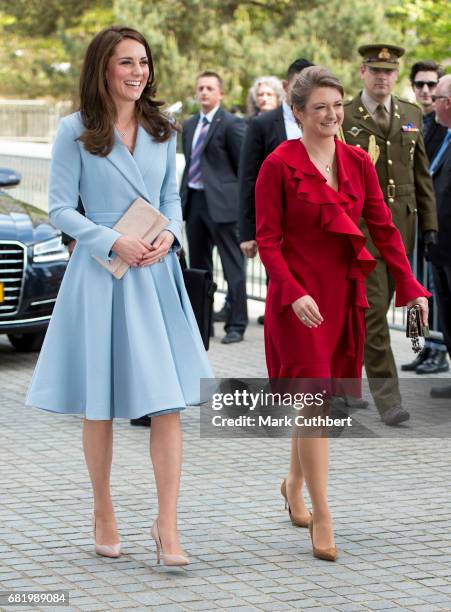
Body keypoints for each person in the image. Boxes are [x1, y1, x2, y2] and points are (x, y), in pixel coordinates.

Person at [26, 25, 213, 566]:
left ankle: (167, 524)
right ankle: (103, 508)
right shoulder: (74, 130)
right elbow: (60, 208)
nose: (138, 73)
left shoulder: (162, 129)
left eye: (143, 63)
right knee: (99, 404)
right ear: (103, 70)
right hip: (102, 274)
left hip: (155, 276)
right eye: (127, 63)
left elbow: (170, 199)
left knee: (168, 403)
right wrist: (113, 240)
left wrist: (171, 238)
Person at [255, 66, 429, 561]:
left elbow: (385, 231)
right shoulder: (278, 165)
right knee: (314, 402)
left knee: (314, 400)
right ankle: (324, 514)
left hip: (343, 295)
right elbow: (267, 241)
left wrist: (409, 285)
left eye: (337, 106)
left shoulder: (358, 162)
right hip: (300, 301)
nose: (332, 115)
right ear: (298, 112)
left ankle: (292, 485)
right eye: (320, 108)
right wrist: (291, 292)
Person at [342, 44, 438, 426]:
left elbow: (421, 175)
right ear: (362, 72)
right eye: (375, 70)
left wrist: (429, 224)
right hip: (362, 231)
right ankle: (389, 400)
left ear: (396, 76)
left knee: (368, 314)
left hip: (401, 229)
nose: (382, 78)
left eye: (389, 71)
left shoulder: (412, 114)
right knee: (374, 315)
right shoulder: (346, 115)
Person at [238, 59, 313, 325]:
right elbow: (248, 178)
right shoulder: (262, 124)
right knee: (282, 293)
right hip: (276, 227)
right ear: (285, 86)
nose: (306, 92)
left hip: (314, 226)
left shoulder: (320, 120)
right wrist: (248, 232)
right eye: (299, 86)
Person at [180, 71, 248, 344]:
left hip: (225, 208)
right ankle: (202, 325)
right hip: (195, 203)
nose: (204, 92)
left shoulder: (232, 124)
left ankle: (236, 325)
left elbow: (244, 170)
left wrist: (244, 209)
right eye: (200, 88)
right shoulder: (189, 124)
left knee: (234, 269)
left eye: (209, 88)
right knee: (199, 268)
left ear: (220, 93)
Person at [402, 60, 449, 375]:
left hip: (438, 224)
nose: (426, 91)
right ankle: (419, 344)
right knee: (413, 287)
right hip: (412, 219)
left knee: (435, 288)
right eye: (420, 84)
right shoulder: (412, 121)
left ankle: (437, 349)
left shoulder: (438, 125)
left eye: (432, 85)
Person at [428, 75, 451, 399]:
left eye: (436, 97)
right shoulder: (445, 136)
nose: (431, 102)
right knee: (447, 316)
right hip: (441, 248)